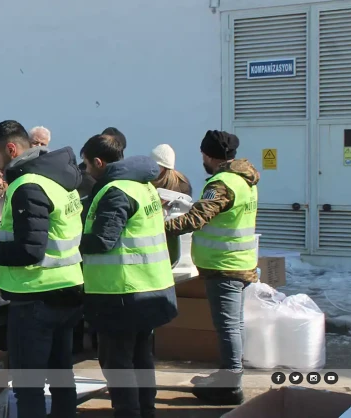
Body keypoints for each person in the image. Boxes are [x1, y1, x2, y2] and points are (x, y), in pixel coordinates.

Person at [0, 120, 84, 418]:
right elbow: (38, 228)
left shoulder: (27, 185)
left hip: (35, 295)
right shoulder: (57, 180)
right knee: (61, 376)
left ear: (11, 149)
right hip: (67, 288)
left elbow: (29, 249)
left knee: (28, 385)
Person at [80, 135, 178, 418]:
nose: (85, 171)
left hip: (121, 292)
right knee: (140, 357)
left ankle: (128, 412)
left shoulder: (115, 190)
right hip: (149, 287)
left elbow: (102, 240)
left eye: (86, 165)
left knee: (117, 362)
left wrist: (71, 242)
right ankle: (145, 410)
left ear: (99, 162)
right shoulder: (142, 185)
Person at [165, 130, 259, 405]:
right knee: (234, 324)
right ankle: (229, 375)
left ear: (208, 155)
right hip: (239, 263)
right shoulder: (245, 179)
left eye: (203, 155)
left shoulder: (221, 184)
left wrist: (156, 226)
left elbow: (194, 220)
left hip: (224, 267)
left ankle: (230, 384)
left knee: (227, 326)